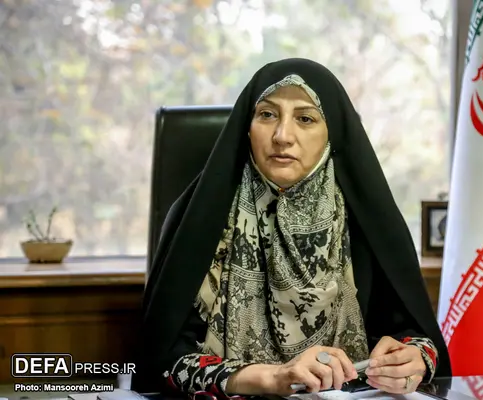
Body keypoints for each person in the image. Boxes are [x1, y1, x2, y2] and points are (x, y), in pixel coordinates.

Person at [133, 58, 451, 399]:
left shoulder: (367, 219)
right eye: (267, 115)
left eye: (305, 118)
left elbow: (417, 339)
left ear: (332, 133)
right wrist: (270, 377)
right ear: (247, 127)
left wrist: (412, 359)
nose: (282, 136)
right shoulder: (199, 218)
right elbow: (163, 364)